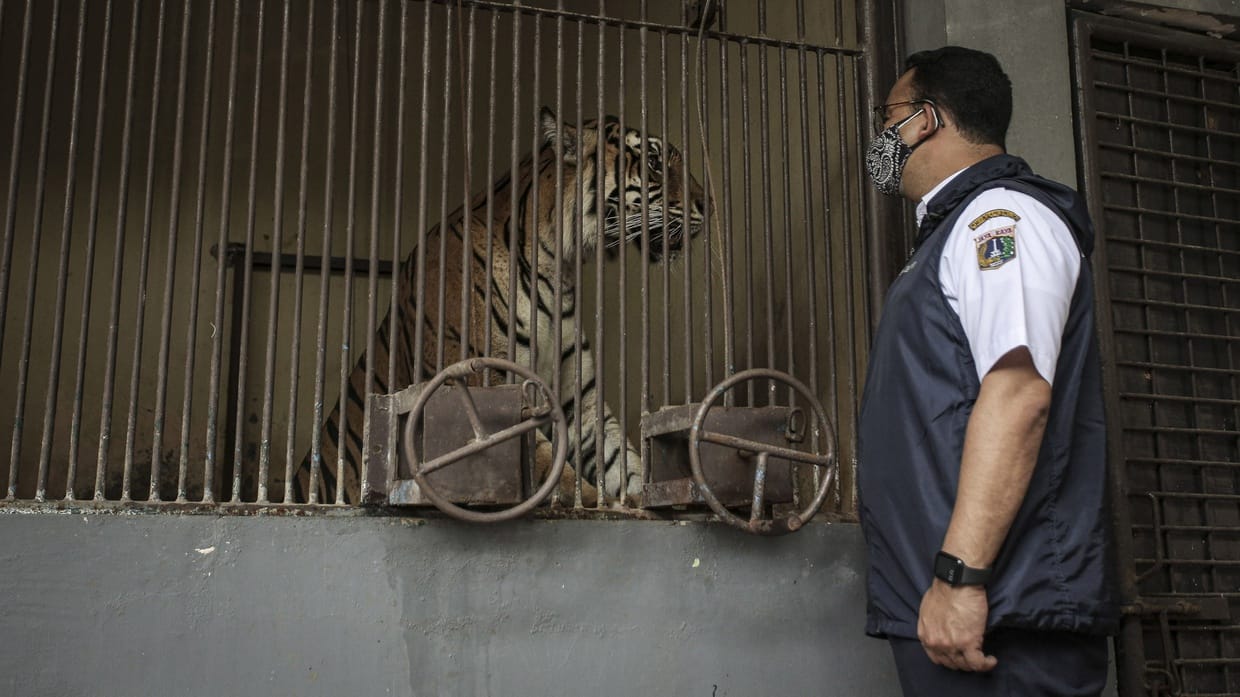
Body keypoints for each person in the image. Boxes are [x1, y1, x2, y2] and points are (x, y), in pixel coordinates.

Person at [856, 46, 1119, 696]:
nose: (881, 136)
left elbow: (1019, 394)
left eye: (887, 117)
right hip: (956, 612)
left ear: (924, 119)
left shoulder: (999, 218)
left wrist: (960, 577)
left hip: (1002, 615)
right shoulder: (951, 233)